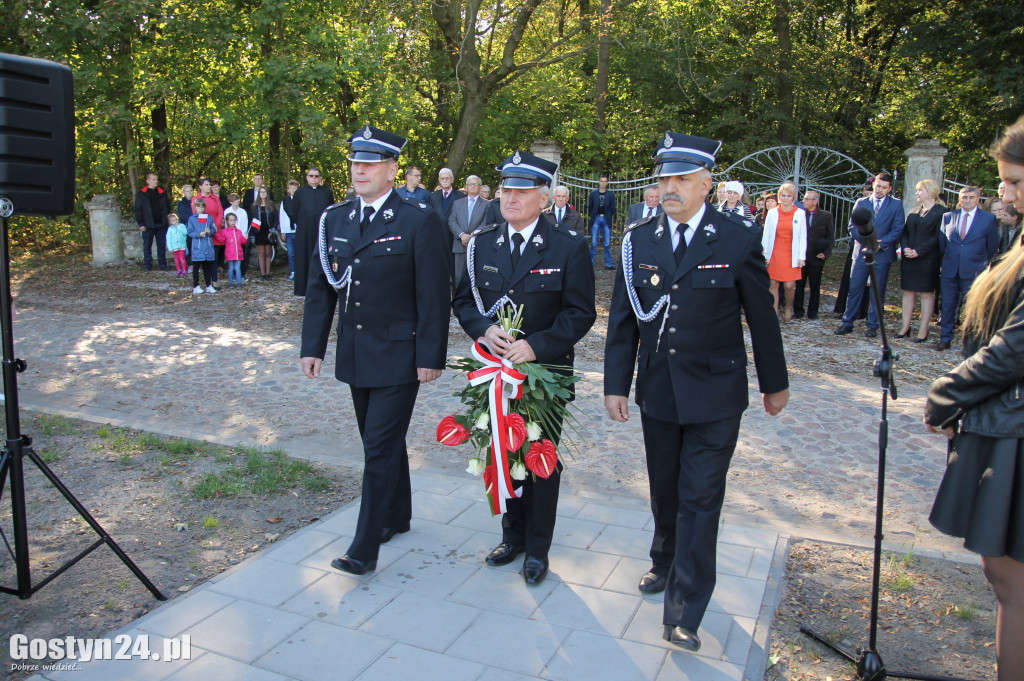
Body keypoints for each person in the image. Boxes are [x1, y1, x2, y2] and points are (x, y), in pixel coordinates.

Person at [604, 131, 789, 651]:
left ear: (707, 183)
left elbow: (761, 315)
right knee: (665, 488)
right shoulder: (638, 239)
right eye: (664, 177)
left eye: (682, 178)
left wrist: (775, 384)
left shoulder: (734, 237)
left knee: (700, 498)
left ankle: (684, 610)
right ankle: (663, 560)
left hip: (716, 393)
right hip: (658, 390)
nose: (670, 186)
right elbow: (622, 320)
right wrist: (616, 385)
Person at [301, 125, 450, 577]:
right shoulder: (337, 219)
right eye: (354, 162)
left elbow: (434, 293)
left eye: (369, 163)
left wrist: (431, 356)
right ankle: (398, 515)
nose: (359, 169)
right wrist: (314, 346)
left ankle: (363, 549)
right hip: (356, 351)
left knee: (378, 448)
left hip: (401, 355)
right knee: (380, 440)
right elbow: (320, 287)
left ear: (391, 169)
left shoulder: (418, 218)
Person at [453, 150, 596, 585]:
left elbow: (580, 312)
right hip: (495, 374)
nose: (510, 198)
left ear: (544, 196)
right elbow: (463, 300)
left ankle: (538, 548)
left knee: (540, 458)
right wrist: (482, 329)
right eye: (505, 190)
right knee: (502, 452)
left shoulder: (568, 244)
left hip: (544, 376)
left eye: (520, 191)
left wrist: (537, 345)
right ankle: (511, 536)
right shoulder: (483, 242)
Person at [925, 116, 1024, 681]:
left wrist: (944, 395)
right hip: (1005, 424)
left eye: (1013, 182)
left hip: (1014, 431)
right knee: (1006, 582)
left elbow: (1013, 351)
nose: (1003, 194)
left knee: (1012, 584)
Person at [834, 172, 905, 339]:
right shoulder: (862, 202)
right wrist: (867, 241)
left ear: (889, 189)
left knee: (877, 290)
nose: (880, 190)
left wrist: (881, 243)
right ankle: (847, 321)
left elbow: (898, 228)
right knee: (855, 287)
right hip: (861, 252)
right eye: (878, 186)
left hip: (882, 254)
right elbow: (852, 227)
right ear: (874, 185)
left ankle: (873, 324)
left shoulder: (896, 205)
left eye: (884, 188)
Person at [935, 185, 1000, 351]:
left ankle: (969, 342)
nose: (968, 201)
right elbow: (943, 244)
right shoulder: (948, 217)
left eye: (971, 197)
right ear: (959, 199)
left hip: (974, 269)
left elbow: (992, 246)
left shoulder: (988, 219)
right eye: (964, 197)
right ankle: (945, 338)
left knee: (971, 307)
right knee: (947, 305)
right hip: (950, 268)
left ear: (978, 199)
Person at [897, 179, 946, 342]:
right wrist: (905, 248)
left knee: (926, 294)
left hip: (928, 259)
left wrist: (919, 251)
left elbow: (937, 237)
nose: (917, 193)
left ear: (930, 192)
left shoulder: (941, 212)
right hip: (909, 258)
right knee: (907, 292)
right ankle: (905, 327)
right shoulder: (914, 211)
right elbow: (905, 233)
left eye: (920, 190)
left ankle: (923, 330)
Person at [761, 182, 807, 323]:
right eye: (783, 195)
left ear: (793, 197)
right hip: (774, 253)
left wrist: (801, 257)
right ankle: (773, 313)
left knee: (789, 285)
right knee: (773, 284)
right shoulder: (773, 212)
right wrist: (763, 254)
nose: (785, 198)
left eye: (788, 196)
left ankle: (788, 307)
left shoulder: (800, 213)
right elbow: (766, 234)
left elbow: (803, 236)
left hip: (791, 254)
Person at [292, 167, 335, 296]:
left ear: (320, 177)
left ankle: (324, 287)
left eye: (316, 176)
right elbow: (294, 213)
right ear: (307, 177)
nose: (314, 178)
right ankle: (303, 288)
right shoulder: (300, 193)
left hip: (322, 231)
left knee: (322, 258)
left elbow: (331, 211)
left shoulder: (327, 192)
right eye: (311, 176)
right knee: (304, 258)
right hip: (304, 231)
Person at [792, 190, 834, 320]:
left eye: (807, 199)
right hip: (801, 257)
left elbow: (830, 237)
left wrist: (826, 253)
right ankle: (798, 311)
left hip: (817, 257)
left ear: (815, 201)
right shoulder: (799, 214)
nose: (803, 201)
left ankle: (813, 312)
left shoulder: (826, 216)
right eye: (804, 199)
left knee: (815, 286)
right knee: (799, 285)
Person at [447, 175, 489, 287]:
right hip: (459, 245)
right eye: (470, 184)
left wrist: (471, 236)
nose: (472, 186)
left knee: (475, 278)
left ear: (480, 187)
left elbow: (485, 223)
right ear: (466, 187)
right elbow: (452, 221)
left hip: (476, 245)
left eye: (475, 184)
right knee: (459, 278)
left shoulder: (487, 204)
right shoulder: (457, 203)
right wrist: (461, 235)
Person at [134, 172, 171, 271]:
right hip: (147, 224)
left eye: (156, 179)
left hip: (161, 224)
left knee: (161, 246)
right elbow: (138, 210)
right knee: (147, 246)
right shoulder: (142, 194)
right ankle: (147, 265)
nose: (155, 181)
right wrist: (141, 223)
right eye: (153, 179)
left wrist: (167, 220)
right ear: (148, 181)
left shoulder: (162, 193)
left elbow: (167, 207)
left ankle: (162, 265)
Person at [186, 198, 218, 294]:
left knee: (207, 267)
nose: (200, 208)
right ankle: (196, 286)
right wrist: (198, 234)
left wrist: (210, 231)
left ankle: (208, 285)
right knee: (196, 267)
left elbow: (214, 228)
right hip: (197, 246)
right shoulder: (192, 219)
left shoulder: (209, 218)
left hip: (207, 246)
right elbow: (189, 232)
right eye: (198, 206)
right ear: (195, 207)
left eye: (202, 206)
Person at [587, 172, 617, 270]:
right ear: (599, 182)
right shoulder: (593, 194)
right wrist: (593, 215)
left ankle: (609, 264)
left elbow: (613, 208)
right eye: (601, 181)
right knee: (594, 243)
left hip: (606, 218)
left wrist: (608, 216)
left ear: (607, 183)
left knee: (607, 243)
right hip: (596, 218)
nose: (603, 183)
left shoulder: (610, 194)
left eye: (605, 181)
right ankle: (591, 263)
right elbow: (590, 207)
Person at [213, 212, 248, 287]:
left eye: (234, 220)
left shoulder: (238, 231)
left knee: (238, 268)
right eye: (231, 220)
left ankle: (239, 283)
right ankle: (231, 283)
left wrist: (246, 238)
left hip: (238, 253)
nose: (233, 222)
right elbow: (221, 240)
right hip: (230, 253)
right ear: (227, 221)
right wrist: (216, 234)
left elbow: (243, 242)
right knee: (231, 268)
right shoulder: (225, 231)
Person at [250, 186, 277, 280]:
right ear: (259, 194)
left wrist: (272, 230)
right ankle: (263, 274)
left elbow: (275, 219)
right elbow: (252, 220)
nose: (263, 194)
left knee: (268, 253)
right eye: (261, 192)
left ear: (267, 194)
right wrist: (253, 234)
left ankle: (268, 273)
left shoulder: (271, 205)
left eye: (265, 192)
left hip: (269, 231)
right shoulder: (255, 206)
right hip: (259, 232)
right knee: (261, 253)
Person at [279, 179, 300, 280]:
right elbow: (282, 215)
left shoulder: (301, 200)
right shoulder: (285, 201)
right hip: (288, 230)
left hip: (298, 229)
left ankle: (301, 271)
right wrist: (282, 230)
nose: (293, 190)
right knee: (290, 252)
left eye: (295, 189)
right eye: (291, 188)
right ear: (288, 189)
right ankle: (293, 271)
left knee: (299, 252)